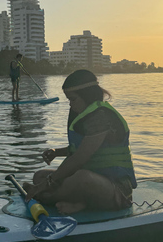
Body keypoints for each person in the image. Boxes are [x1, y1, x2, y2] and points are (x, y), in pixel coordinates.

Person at [23, 69, 137, 215]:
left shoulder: (101, 117)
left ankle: (48, 197)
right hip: (96, 177)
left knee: (82, 178)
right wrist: (56, 152)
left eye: (73, 99)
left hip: (117, 189)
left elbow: (79, 158)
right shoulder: (86, 115)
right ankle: (79, 202)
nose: (71, 105)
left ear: (87, 95)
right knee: (39, 175)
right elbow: (81, 148)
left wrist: (47, 184)